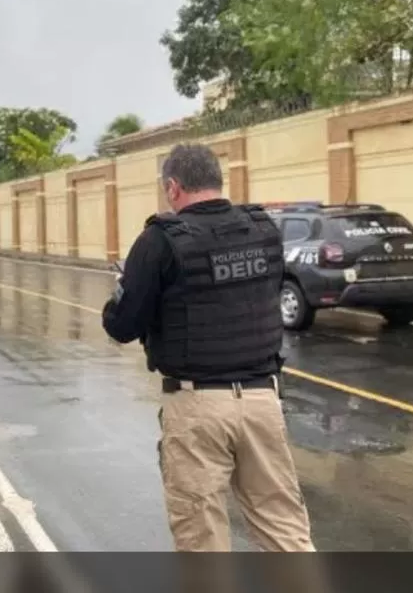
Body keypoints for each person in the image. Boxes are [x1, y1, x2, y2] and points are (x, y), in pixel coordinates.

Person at [101, 143, 314, 552]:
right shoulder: (263, 228)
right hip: (262, 401)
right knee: (284, 529)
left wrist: (125, 292)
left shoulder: (159, 241)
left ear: (173, 186)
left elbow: (123, 325)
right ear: (218, 181)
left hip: (198, 405)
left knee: (202, 538)